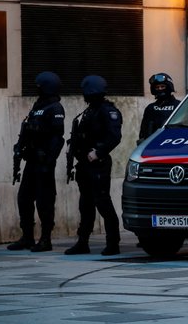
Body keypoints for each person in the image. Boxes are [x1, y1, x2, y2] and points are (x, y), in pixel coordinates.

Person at [65, 75, 123, 256]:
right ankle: (83, 242)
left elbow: (114, 137)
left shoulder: (107, 111)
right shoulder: (88, 112)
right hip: (84, 165)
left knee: (103, 202)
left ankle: (113, 243)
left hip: (98, 164)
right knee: (86, 204)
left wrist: (98, 152)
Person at [8, 71, 65, 252]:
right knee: (24, 198)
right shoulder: (38, 106)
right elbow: (27, 130)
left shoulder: (55, 108)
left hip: (44, 162)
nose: (37, 89)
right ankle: (27, 237)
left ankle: (45, 239)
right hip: (31, 160)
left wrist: (49, 160)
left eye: (40, 86)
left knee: (44, 201)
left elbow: (58, 138)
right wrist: (19, 147)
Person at [138, 73, 180, 144]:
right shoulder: (150, 108)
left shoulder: (179, 105)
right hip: (153, 146)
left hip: (174, 144)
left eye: (162, 86)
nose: (160, 89)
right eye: (157, 87)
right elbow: (143, 131)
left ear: (169, 87)